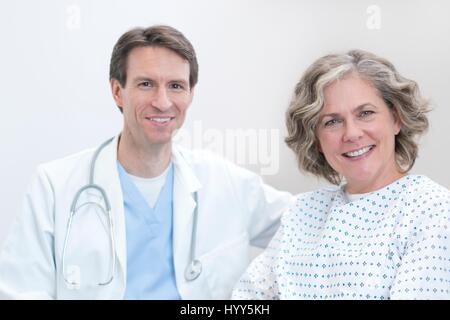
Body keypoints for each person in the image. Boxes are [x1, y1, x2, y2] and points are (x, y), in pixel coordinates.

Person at [0, 25, 293, 299]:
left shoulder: (226, 182)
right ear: (117, 91)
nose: (163, 102)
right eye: (146, 84)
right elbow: (22, 291)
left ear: (191, 94)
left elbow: (310, 222)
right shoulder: (54, 186)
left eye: (176, 86)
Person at [232, 49, 450, 300]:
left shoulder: (432, 210)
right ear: (316, 140)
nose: (352, 133)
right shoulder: (304, 211)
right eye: (332, 122)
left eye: (365, 113)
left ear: (396, 119)